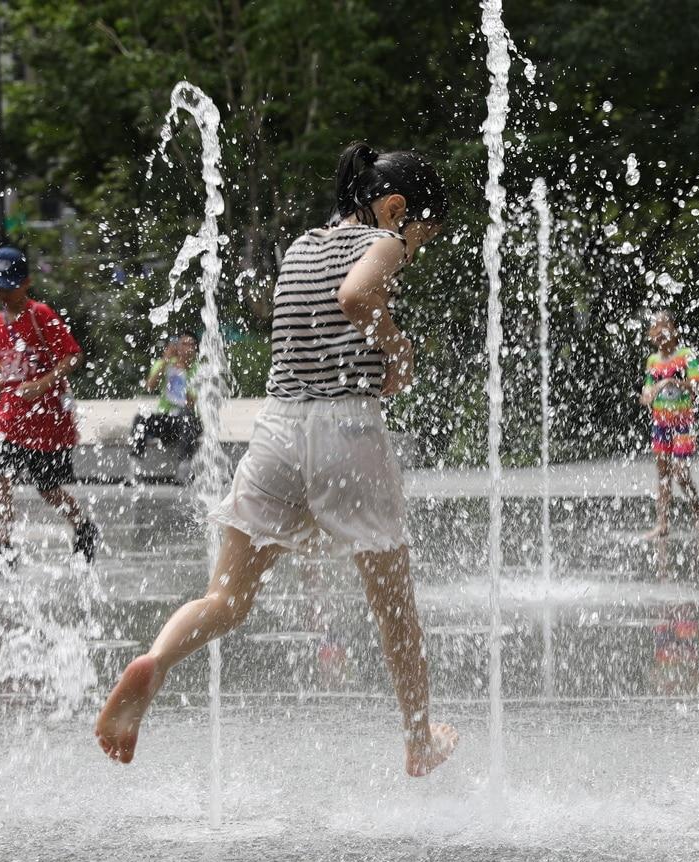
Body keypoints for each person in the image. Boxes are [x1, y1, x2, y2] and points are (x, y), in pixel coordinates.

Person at [95, 142, 458, 777]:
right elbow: (356, 296)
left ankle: (153, 662)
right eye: (422, 233)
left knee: (226, 599)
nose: (417, 248)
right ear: (395, 208)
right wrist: (396, 353)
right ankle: (418, 738)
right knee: (393, 605)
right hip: (347, 428)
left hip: (278, 429)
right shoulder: (384, 243)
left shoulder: (301, 246)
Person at [0, 246, 99, 567]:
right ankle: (4, 547)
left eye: (7, 286)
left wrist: (43, 384)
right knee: (0, 480)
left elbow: (74, 356)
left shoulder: (40, 315)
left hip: (46, 421)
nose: (0, 293)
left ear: (26, 283)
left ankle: (83, 526)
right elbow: (9, 372)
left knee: (47, 489)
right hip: (8, 418)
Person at [639, 311, 699, 538]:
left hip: (682, 423)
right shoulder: (652, 361)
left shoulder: (685, 355)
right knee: (663, 474)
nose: (659, 332)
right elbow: (647, 391)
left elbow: (697, 384)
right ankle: (662, 524)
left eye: (663, 326)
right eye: (655, 328)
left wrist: (670, 381)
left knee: (680, 473)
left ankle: (698, 510)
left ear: (674, 331)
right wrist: (647, 395)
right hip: (660, 423)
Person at [129, 334, 200, 471]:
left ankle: (184, 466)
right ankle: (134, 464)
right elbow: (150, 386)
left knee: (187, 416)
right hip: (167, 418)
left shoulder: (199, 369)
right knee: (141, 419)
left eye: (191, 345)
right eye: (183, 344)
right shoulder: (165, 364)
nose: (188, 349)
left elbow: (192, 403)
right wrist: (166, 361)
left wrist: (183, 373)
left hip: (189, 421)